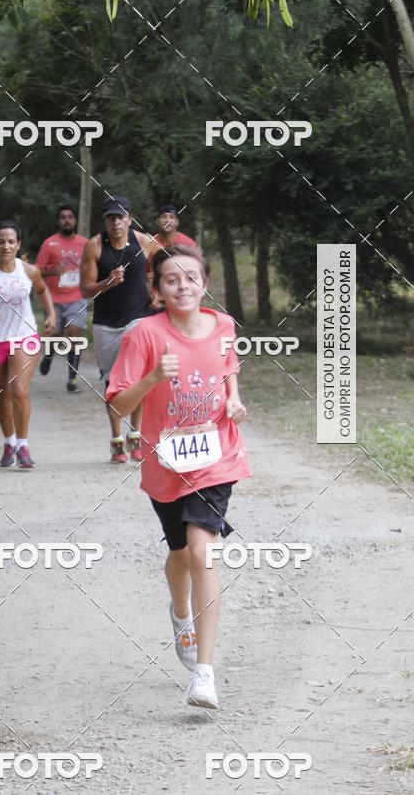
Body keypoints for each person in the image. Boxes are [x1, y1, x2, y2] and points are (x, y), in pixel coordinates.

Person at [106, 244, 251, 709]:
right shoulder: (144, 335)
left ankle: (205, 675)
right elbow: (117, 405)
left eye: (191, 277)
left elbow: (228, 369)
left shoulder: (224, 326)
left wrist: (233, 401)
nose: (183, 285)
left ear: (204, 283)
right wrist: (151, 379)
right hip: (165, 462)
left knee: (202, 553)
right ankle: (181, 614)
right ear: (156, 290)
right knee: (180, 554)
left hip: (215, 457)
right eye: (172, 279)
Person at [80, 195, 160, 463]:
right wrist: (107, 284)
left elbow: (166, 266)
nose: (116, 222)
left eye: (121, 217)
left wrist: (157, 289)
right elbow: (85, 290)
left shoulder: (144, 242)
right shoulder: (93, 247)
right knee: (113, 383)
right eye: (111, 217)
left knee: (137, 378)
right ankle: (117, 437)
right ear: (105, 220)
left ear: (130, 218)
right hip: (106, 322)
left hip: (139, 318)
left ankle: (135, 434)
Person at [0, 221, 55, 469]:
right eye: (0, 241)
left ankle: (23, 446)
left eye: (10, 241)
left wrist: (50, 313)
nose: (5, 246)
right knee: (1, 395)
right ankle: (8, 443)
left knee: (18, 389)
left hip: (24, 336)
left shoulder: (29, 270)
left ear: (18, 245)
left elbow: (42, 290)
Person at [35, 205, 88, 392]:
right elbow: (37, 270)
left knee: (74, 335)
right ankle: (48, 357)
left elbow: (92, 265)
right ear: (58, 222)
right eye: (63, 217)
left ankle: (71, 381)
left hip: (77, 297)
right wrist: (52, 271)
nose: (67, 220)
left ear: (74, 221)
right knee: (55, 338)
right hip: (54, 298)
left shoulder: (84, 243)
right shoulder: (49, 244)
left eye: (70, 217)